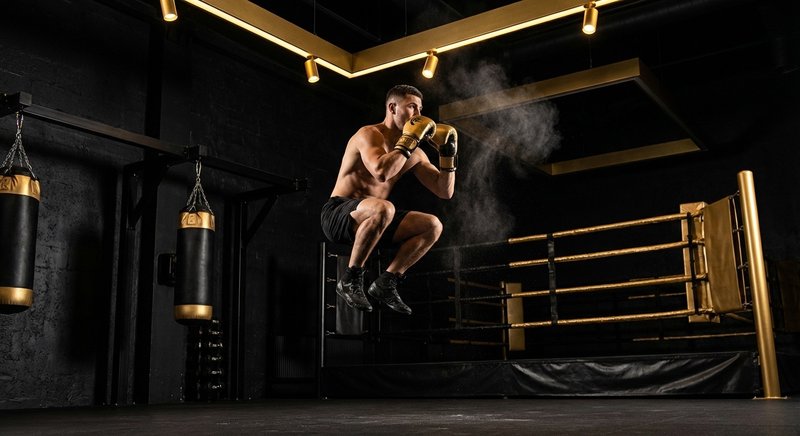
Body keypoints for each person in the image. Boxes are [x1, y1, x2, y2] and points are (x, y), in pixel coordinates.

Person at [320, 84, 458, 315]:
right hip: (339, 213)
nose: (418, 115)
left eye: (420, 109)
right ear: (392, 107)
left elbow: (444, 191)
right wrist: (409, 140)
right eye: (412, 107)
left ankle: (387, 282)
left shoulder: (415, 153)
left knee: (432, 225)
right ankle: (351, 278)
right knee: (384, 208)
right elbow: (381, 171)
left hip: (378, 220)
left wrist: (448, 155)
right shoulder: (369, 134)